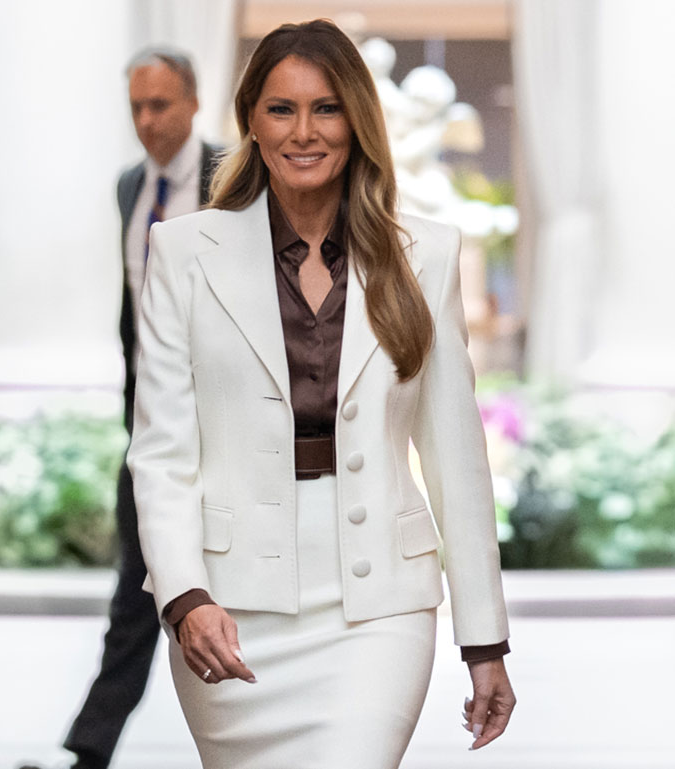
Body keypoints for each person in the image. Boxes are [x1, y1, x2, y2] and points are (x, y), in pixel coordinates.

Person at [128, 19, 516, 769]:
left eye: (327, 108)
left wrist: (485, 638)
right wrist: (184, 597)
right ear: (250, 121)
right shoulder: (183, 254)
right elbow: (162, 452)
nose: (304, 131)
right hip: (229, 607)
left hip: (380, 609)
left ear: (357, 121)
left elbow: (456, 461)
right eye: (281, 109)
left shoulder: (425, 255)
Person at [19, 47, 218, 769]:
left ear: (193, 102)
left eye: (160, 104)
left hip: (226, 426)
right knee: (136, 586)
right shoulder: (130, 185)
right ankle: (89, 750)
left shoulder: (232, 179)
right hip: (151, 425)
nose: (147, 120)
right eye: (137, 106)